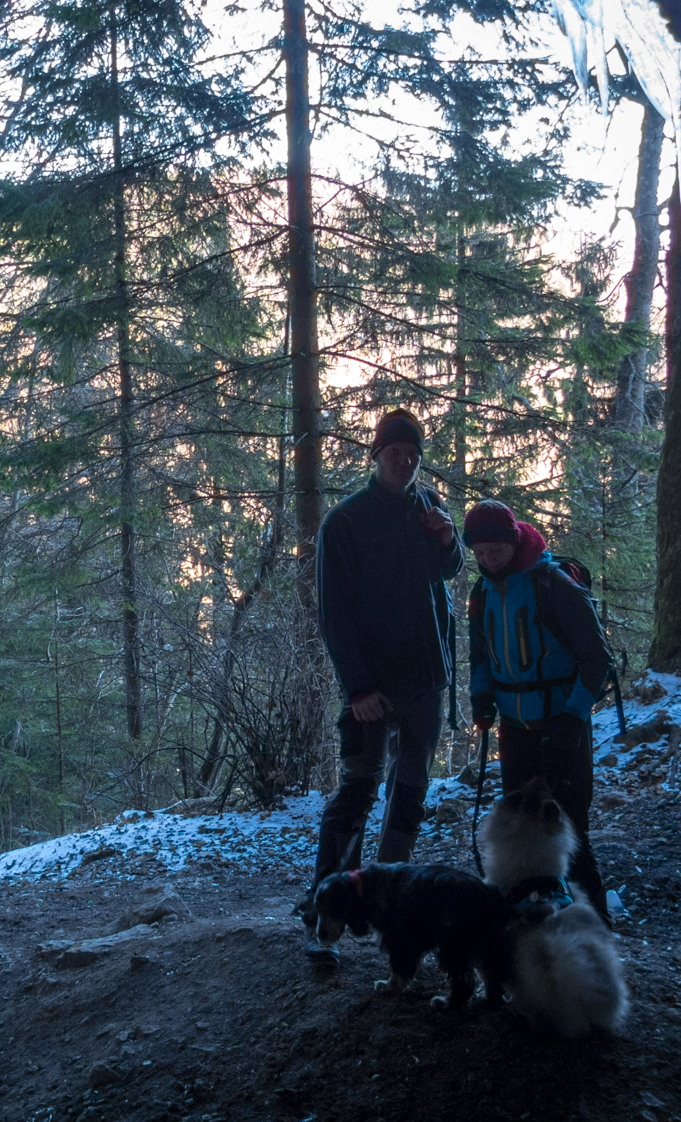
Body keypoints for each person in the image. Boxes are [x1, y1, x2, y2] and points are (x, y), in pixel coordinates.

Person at [302, 408, 462, 954]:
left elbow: (449, 571)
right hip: (371, 688)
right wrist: (358, 688)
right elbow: (334, 614)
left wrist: (447, 543)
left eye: (413, 451)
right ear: (376, 454)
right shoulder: (344, 522)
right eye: (395, 450)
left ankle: (390, 896)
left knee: (410, 789)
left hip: (425, 681)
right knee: (359, 787)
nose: (405, 459)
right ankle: (325, 907)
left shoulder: (429, 508)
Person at [464, 500, 612, 920]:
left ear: (513, 542)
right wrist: (481, 700)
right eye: (480, 554)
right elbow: (480, 657)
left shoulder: (554, 585)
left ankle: (595, 929)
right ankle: (532, 928)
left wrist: (572, 716)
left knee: (569, 832)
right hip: (514, 730)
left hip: (561, 726)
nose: (489, 561)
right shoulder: (483, 592)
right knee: (522, 830)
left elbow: (596, 660)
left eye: (496, 551)